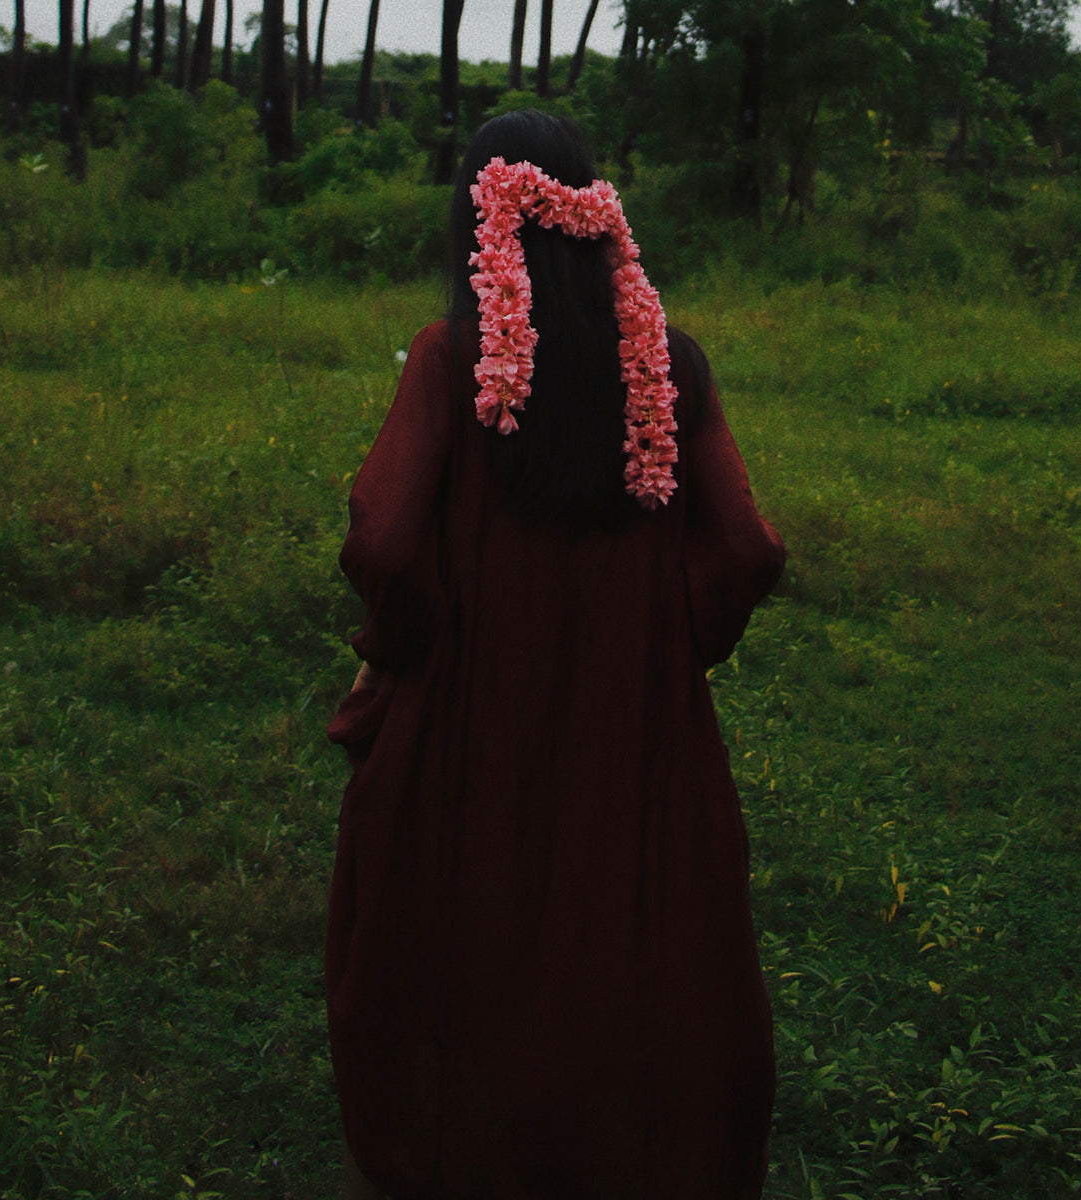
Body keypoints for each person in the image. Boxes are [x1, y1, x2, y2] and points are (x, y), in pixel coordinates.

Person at [325, 110, 786, 1200]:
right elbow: (747, 549)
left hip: (473, 722)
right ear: (594, 225)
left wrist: (400, 654)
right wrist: (668, 657)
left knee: (469, 943)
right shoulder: (670, 366)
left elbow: (384, 539)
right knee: (625, 939)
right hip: (632, 727)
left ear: (478, 230)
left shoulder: (452, 362)